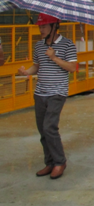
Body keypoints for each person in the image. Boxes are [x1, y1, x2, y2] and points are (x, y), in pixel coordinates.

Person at [17, 13, 78, 179]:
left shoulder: (67, 44)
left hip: (57, 92)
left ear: (54, 26)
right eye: (40, 26)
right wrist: (26, 72)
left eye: (44, 26)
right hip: (40, 93)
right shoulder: (39, 45)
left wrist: (54, 57)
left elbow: (72, 68)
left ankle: (60, 162)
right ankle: (50, 162)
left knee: (49, 127)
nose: (41, 29)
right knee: (42, 130)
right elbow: (37, 66)